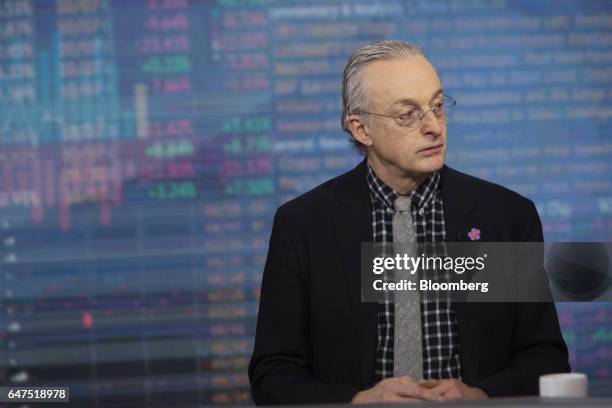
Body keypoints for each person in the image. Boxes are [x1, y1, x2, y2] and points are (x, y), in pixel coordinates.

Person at [249, 40, 570, 404]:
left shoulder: (505, 218)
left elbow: (545, 356)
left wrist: (482, 394)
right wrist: (358, 401)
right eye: (409, 115)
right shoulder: (304, 226)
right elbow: (273, 374)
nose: (434, 127)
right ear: (361, 129)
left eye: (437, 106)